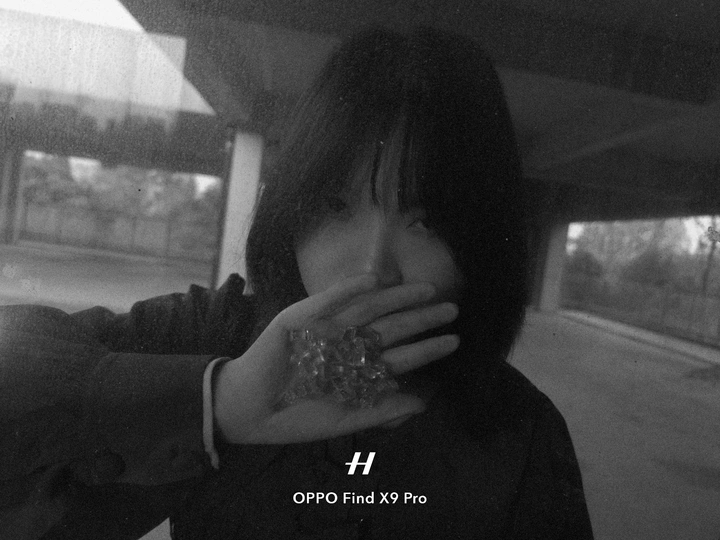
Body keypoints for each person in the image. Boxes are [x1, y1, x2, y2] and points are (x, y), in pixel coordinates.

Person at [0, 26, 593, 540]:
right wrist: (216, 402)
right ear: (292, 209)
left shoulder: (520, 435)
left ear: (483, 241)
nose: (372, 269)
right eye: (336, 206)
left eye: (427, 220)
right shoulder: (214, 336)